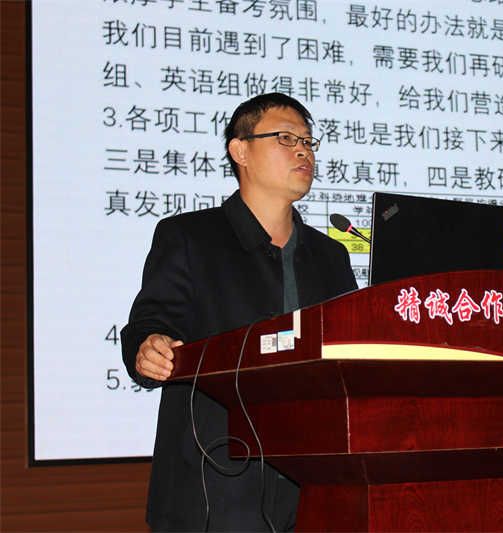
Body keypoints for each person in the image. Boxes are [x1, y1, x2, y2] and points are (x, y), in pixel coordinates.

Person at [121, 93, 357, 531]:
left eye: (308, 141)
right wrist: (149, 346)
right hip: (215, 487)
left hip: (314, 488)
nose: (303, 151)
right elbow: (152, 322)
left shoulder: (330, 256)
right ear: (240, 150)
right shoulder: (189, 237)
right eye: (286, 138)